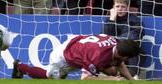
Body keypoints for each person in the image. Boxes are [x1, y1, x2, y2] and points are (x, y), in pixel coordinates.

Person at [12, 34, 140, 80]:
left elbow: (119, 63)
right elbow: (86, 78)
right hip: (66, 54)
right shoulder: (97, 56)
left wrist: (131, 80)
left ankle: (62, 75)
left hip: (79, 48)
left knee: (112, 71)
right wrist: (113, 80)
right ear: (124, 56)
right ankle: (21, 67)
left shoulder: (116, 42)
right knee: (49, 76)